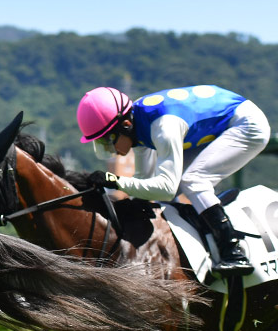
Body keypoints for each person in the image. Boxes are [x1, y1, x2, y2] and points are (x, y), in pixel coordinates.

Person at [76, 85, 271, 276]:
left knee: (194, 180)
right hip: (219, 126)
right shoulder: (136, 126)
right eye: (100, 143)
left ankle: (233, 251)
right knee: (178, 184)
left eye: (107, 140)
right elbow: (146, 180)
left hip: (246, 125)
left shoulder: (163, 128)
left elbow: (166, 189)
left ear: (125, 125)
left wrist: (115, 181)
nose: (110, 150)